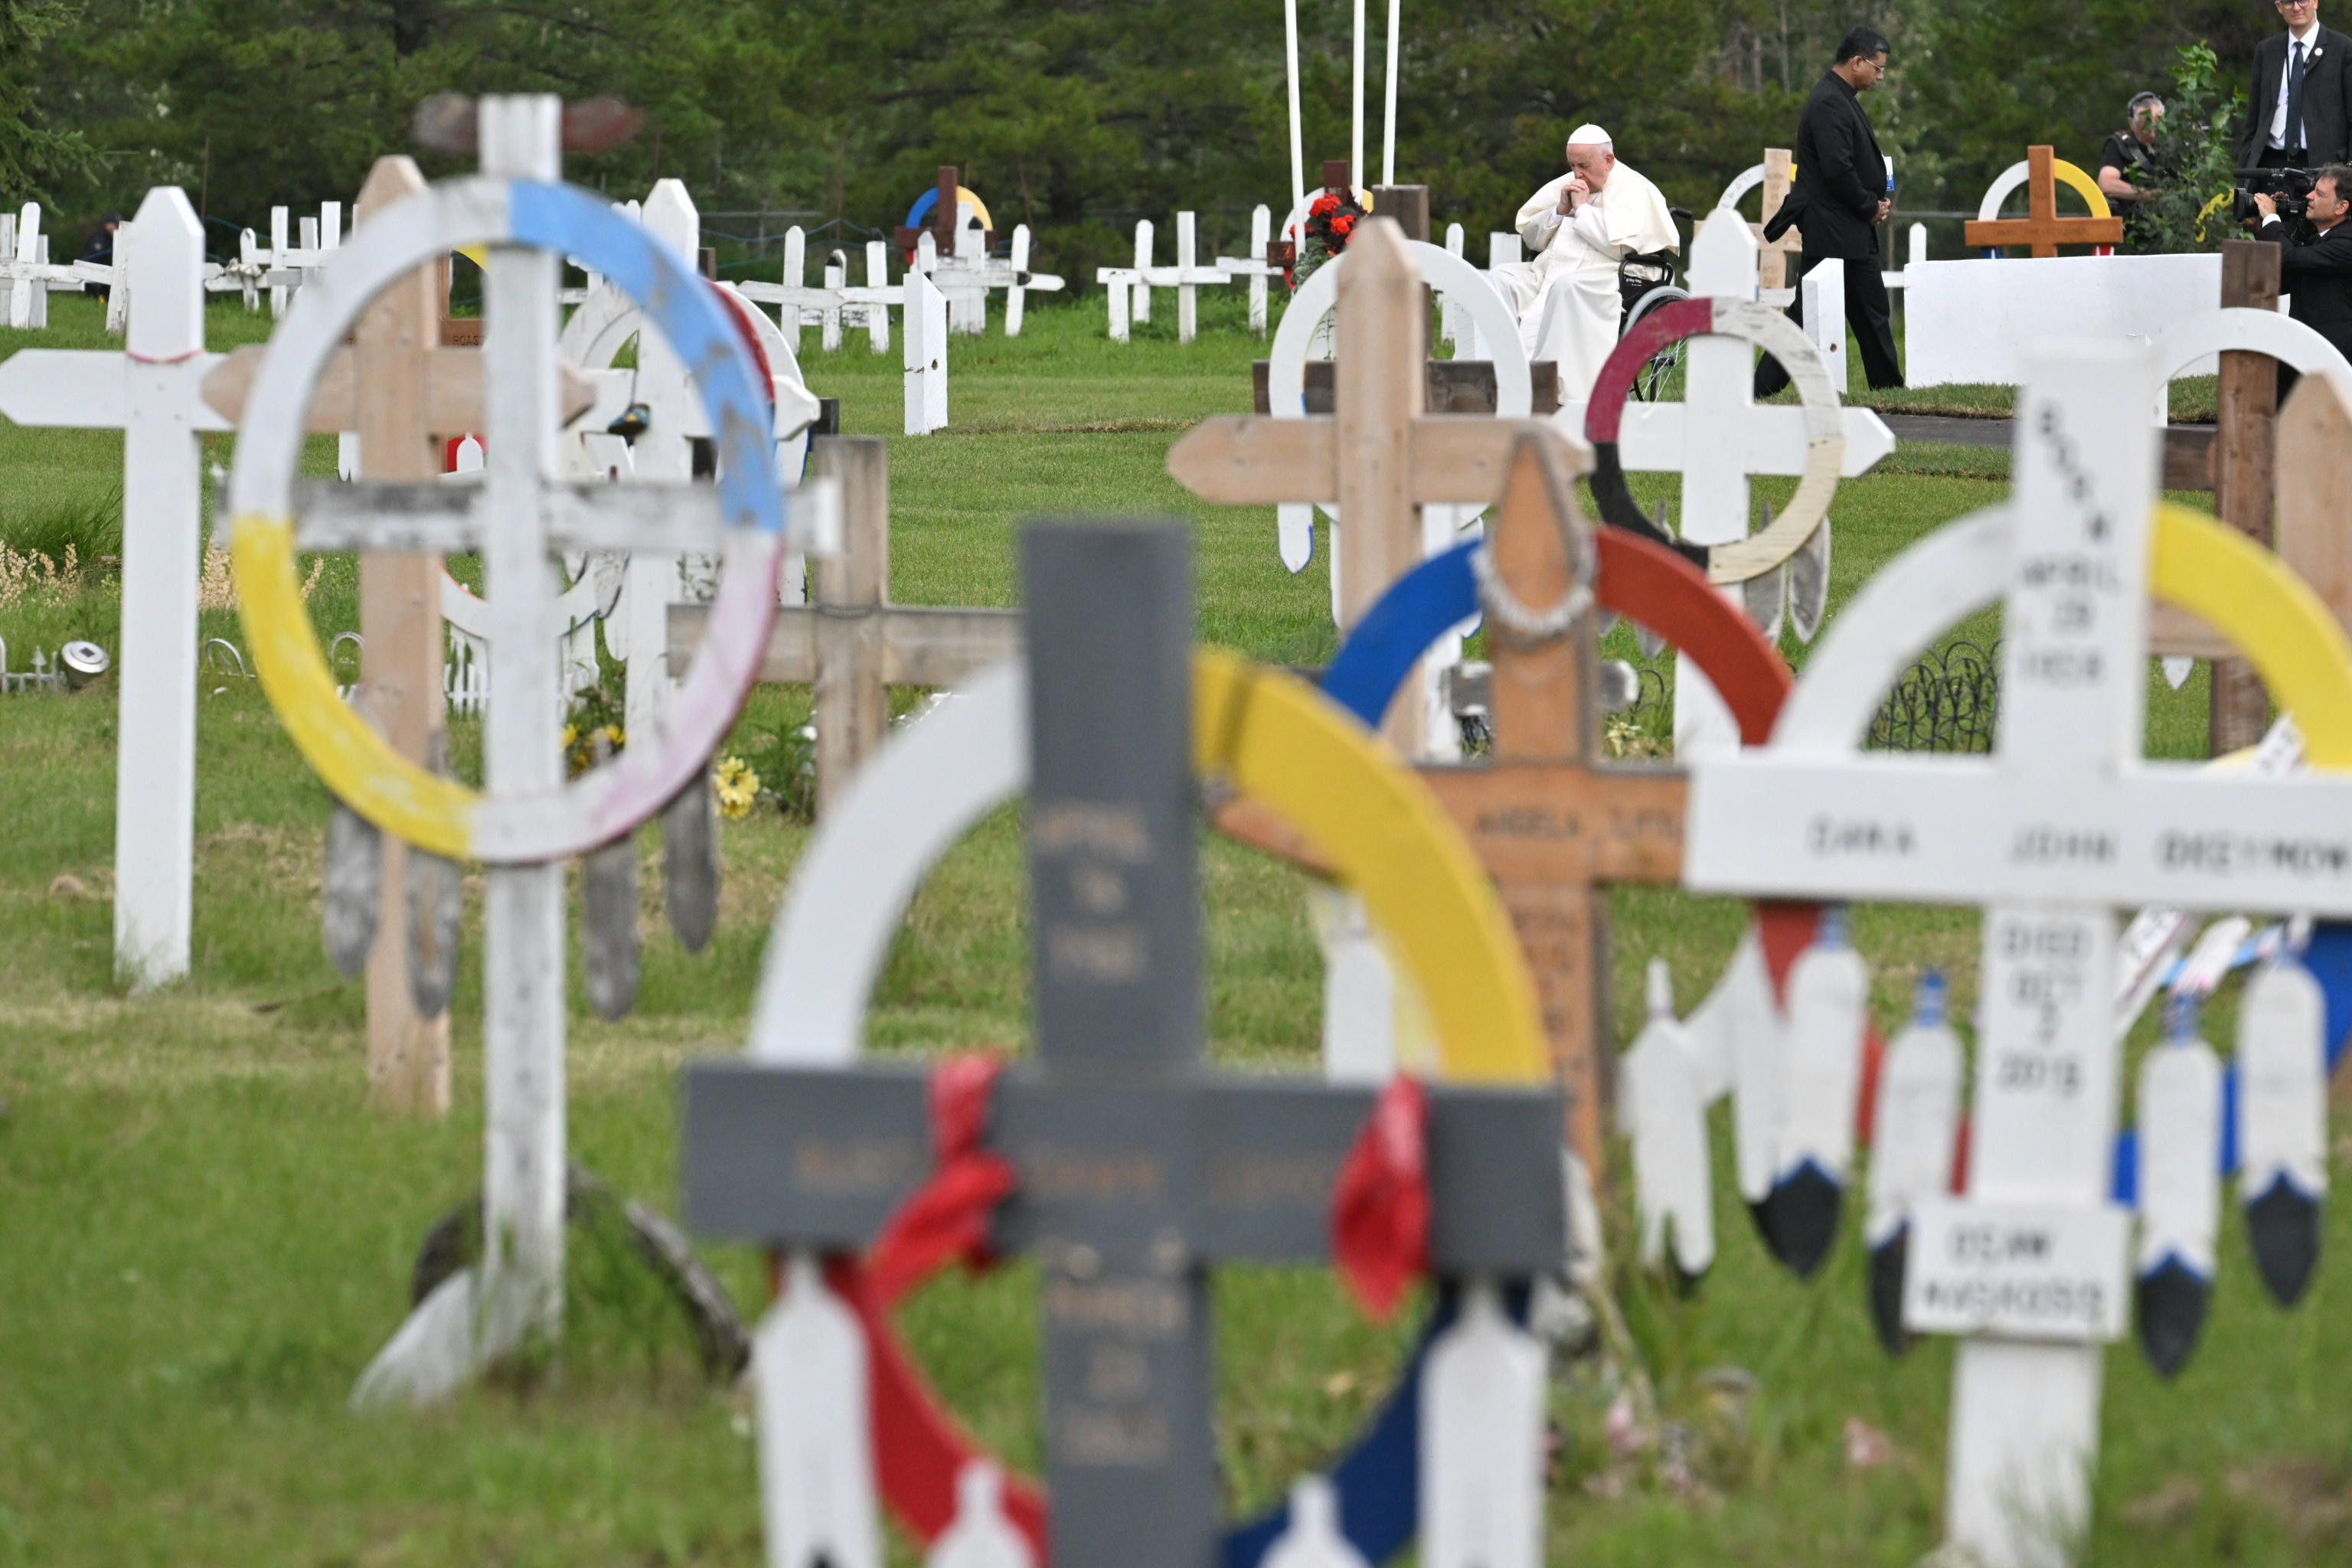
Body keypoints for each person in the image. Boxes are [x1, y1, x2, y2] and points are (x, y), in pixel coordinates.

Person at [1755, 27, 1904, 395]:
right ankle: (1759, 390)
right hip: (1834, 229)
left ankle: (1888, 389)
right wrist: (1869, 206)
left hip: (1848, 229)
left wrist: (1873, 202)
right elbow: (1838, 170)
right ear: (1857, 62)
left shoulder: (1841, 98)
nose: (1881, 77)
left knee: (1871, 312)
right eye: (1878, 68)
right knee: (1807, 314)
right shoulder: (1829, 103)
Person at [1491, 125, 1679, 402]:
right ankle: (1488, 375)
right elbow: (1533, 240)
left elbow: (1622, 248)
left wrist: (1582, 210)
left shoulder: (1636, 189)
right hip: (1547, 271)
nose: (1577, 174)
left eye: (1584, 166)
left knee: (1566, 287)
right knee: (1499, 279)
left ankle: (1553, 390)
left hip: (1609, 275)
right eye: (1572, 165)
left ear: (1608, 160)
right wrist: (1559, 211)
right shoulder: (1566, 185)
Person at [2253, 163, 2352, 399]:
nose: (2309, 196)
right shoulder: (2321, 239)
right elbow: (2284, 279)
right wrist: (2262, 223)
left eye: (2320, 194)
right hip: (2303, 357)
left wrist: (2272, 218)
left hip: (2332, 364)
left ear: (2341, 207)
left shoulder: (2347, 243)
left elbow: (2290, 258)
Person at [2239, 0, 2352, 173]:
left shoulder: (2343, 49)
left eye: (2302, 0)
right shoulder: (2267, 50)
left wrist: (2345, 175)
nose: (2297, 7)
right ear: (2279, 7)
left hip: (2323, 170)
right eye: (2289, 2)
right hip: (2269, 166)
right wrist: (2244, 175)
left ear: (2315, 2)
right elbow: (2253, 121)